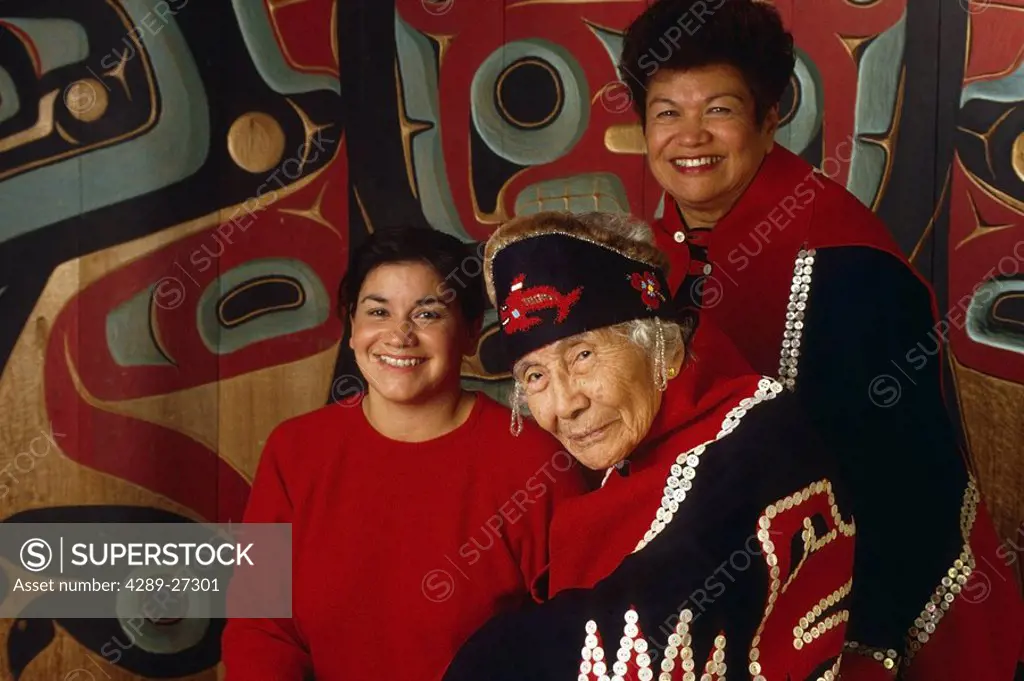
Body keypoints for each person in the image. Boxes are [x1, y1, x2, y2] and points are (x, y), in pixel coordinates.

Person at [618, 1, 1024, 678]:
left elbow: (907, 490)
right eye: (667, 112)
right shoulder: (646, 264)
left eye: (717, 109)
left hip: (852, 622)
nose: (690, 137)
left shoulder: (849, 266)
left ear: (768, 118)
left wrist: (868, 649)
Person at [442, 210, 856, 681]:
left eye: (582, 356)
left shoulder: (756, 439)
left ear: (663, 348)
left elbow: (656, 618)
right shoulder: (625, 455)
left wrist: (484, 660)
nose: (565, 404)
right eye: (535, 377)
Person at [220, 226, 586, 681]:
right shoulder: (294, 452)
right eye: (378, 312)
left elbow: (577, 642)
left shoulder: (536, 465)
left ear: (471, 333)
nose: (399, 336)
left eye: (428, 314)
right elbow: (260, 630)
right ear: (352, 328)